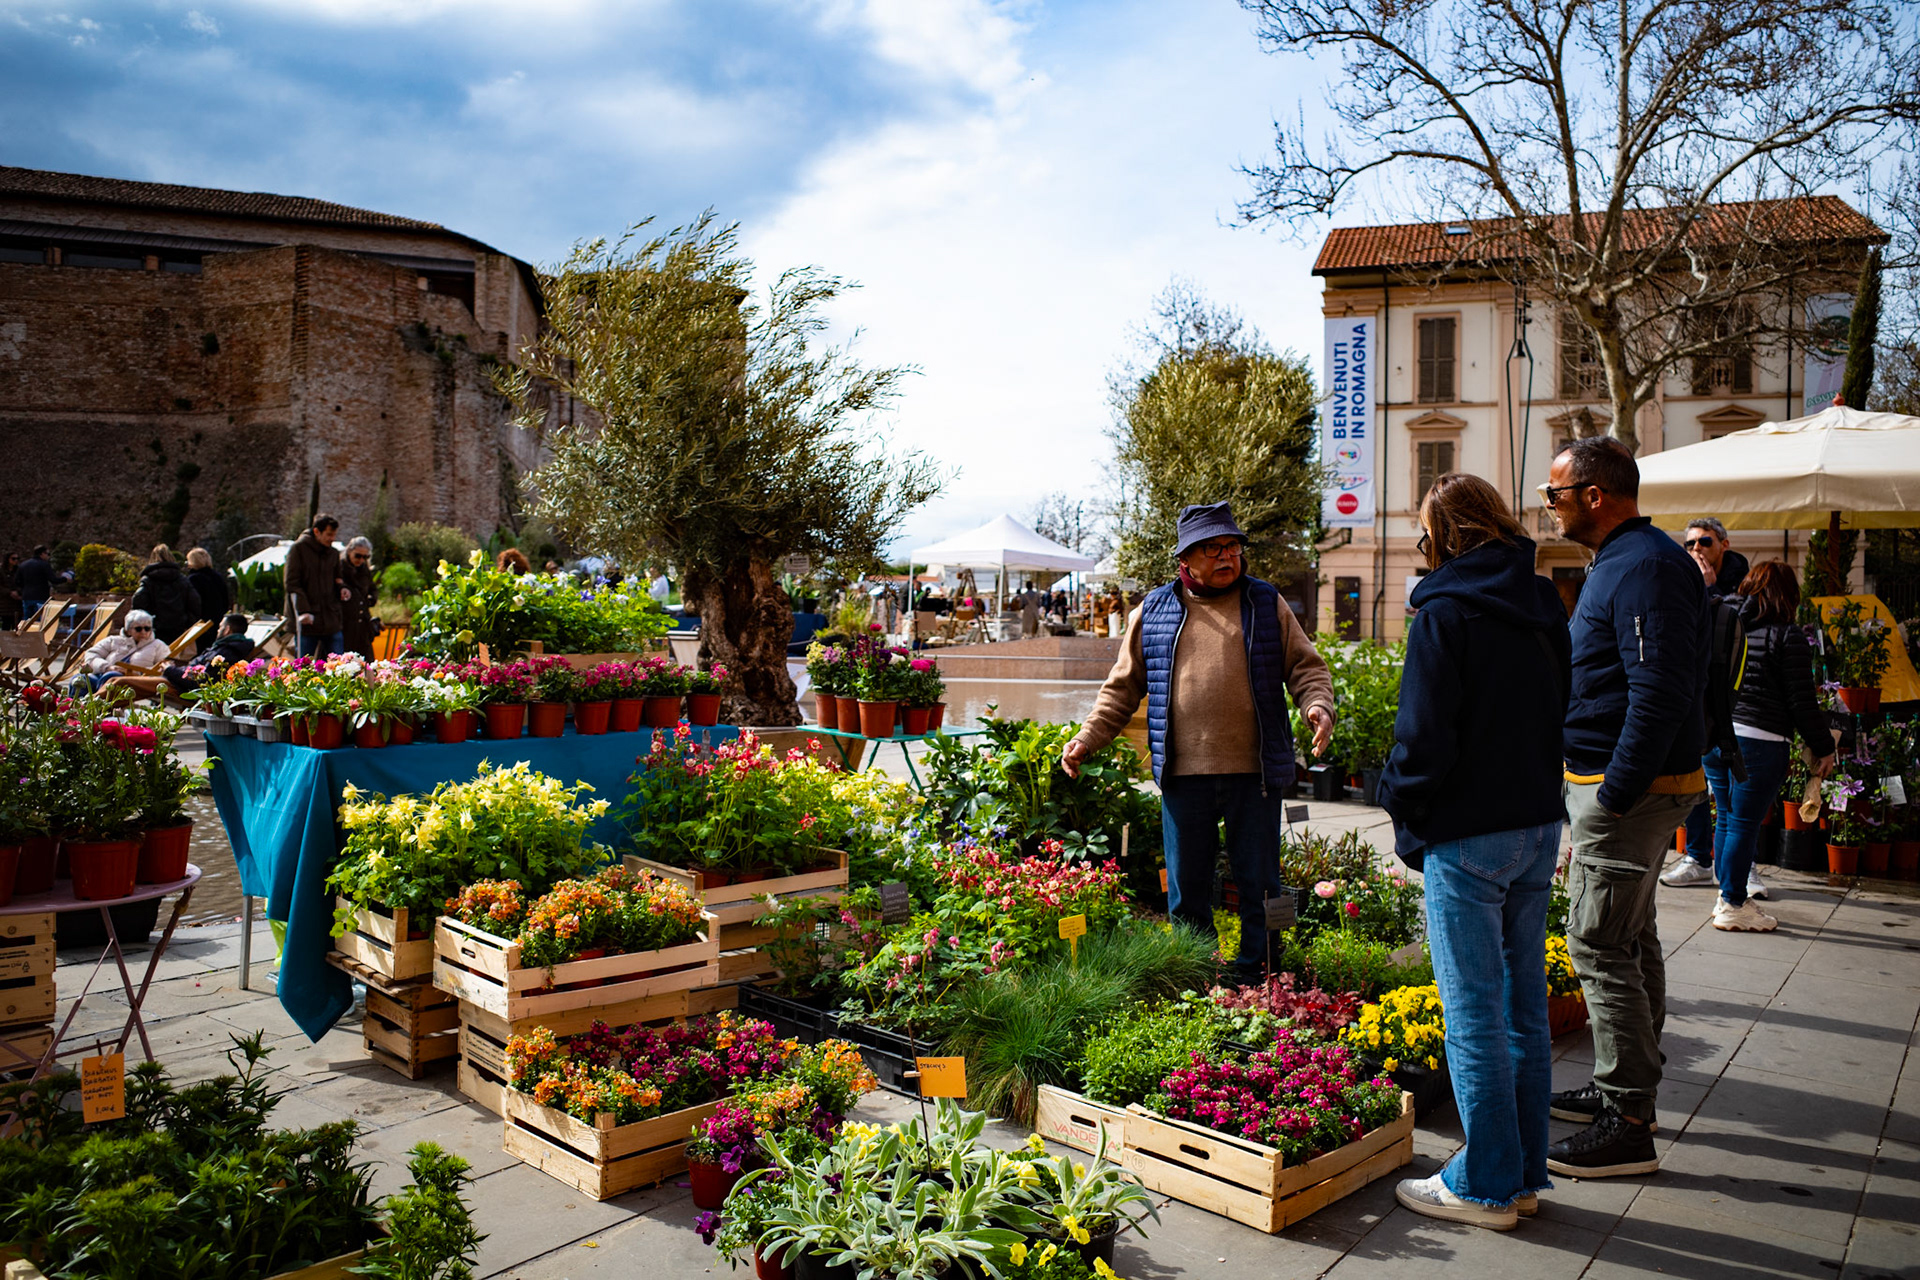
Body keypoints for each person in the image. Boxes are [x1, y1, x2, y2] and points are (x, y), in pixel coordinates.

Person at [1381, 474, 1570, 1230]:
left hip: (1468, 832)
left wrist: (1400, 801)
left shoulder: (1444, 610)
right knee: (1524, 1007)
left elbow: (1422, 739)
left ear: (1441, 535)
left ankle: (1486, 1182)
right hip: (1534, 824)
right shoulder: (1542, 601)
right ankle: (1520, 1171)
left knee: (1474, 1014)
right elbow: (1564, 704)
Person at [1061, 502, 1336, 985]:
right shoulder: (1154, 611)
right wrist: (1088, 738)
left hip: (1256, 774)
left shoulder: (1266, 603)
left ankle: (1263, 976)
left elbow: (1306, 667)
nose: (1227, 557)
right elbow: (1122, 688)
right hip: (1184, 775)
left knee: (1261, 884)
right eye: (1213, 549)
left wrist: (1317, 706)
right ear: (1185, 560)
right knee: (1187, 890)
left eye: (1232, 546)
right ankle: (1196, 979)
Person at [1541, 436, 1708, 1179]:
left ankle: (1628, 1119)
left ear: (1594, 495)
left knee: (1600, 942)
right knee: (1630, 935)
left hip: (1627, 786)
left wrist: (1612, 794)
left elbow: (1660, 690)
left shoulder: (1642, 565)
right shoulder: (1629, 561)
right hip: (1629, 782)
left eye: (1556, 494)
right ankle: (1623, 1084)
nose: (1550, 507)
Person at [1684, 562, 1838, 931]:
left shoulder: (1727, 625)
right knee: (1743, 823)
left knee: (1726, 816)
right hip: (1762, 742)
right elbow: (1802, 701)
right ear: (1789, 595)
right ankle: (1735, 903)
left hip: (1717, 735)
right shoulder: (1787, 635)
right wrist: (1823, 747)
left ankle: (1727, 896)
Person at [1667, 516, 1752, 889]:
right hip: (1697, 701)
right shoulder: (1683, 582)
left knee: (1734, 794)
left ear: (1724, 545)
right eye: (1689, 544)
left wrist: (1710, 591)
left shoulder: (1745, 584)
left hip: (1736, 703)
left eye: (1704, 542)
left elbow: (1739, 626)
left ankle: (1741, 867)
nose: (1696, 549)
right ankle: (1699, 857)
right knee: (1696, 785)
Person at [102, 613, 255, 699]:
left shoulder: (227, 652)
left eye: (220, 626)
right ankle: (90, 710)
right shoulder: (224, 647)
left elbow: (199, 682)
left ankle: (87, 710)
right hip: (178, 680)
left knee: (120, 682)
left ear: (227, 629)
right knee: (114, 680)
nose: (218, 630)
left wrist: (169, 670)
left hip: (182, 687)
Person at [285, 514, 346, 658]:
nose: (332, 538)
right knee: (304, 665)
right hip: (307, 621)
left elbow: (338, 578)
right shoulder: (298, 549)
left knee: (340, 665)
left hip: (330, 618)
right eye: (329, 534)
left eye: (334, 535)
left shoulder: (333, 553)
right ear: (317, 532)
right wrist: (304, 610)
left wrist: (343, 589)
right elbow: (292, 583)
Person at [68, 609, 169, 694]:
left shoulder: (158, 645)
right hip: (103, 673)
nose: (143, 632)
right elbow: (91, 653)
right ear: (128, 630)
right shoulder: (114, 640)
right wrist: (107, 667)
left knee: (112, 678)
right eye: (138, 629)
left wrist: (134, 672)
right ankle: (75, 711)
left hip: (133, 681)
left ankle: (100, 709)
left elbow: (165, 667)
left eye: (147, 628)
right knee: (80, 679)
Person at [129, 545, 202, 644]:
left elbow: (138, 602)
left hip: (155, 629)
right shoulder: (182, 580)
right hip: (178, 629)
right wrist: (188, 622)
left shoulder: (149, 580)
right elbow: (195, 602)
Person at [340, 536, 380, 660]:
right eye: (358, 556)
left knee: (366, 663)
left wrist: (371, 598)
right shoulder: (340, 567)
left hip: (362, 624)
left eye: (365, 557)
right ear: (349, 551)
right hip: (344, 624)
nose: (361, 560)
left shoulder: (364, 570)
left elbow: (372, 587)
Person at [183, 547, 228, 652]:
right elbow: (226, 600)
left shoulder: (193, 579)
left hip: (199, 624)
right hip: (216, 621)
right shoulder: (218, 577)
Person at [15, 544, 55, 624]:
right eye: (47, 554)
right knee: (39, 621)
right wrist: (65, 578)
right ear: (42, 554)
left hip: (27, 596)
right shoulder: (44, 564)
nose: (48, 556)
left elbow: (17, 581)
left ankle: (25, 635)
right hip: (41, 596)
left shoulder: (23, 565)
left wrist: (22, 590)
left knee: (27, 620)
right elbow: (53, 579)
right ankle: (36, 636)